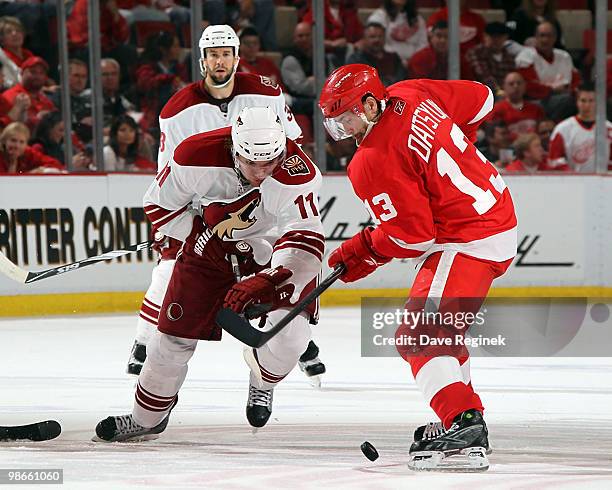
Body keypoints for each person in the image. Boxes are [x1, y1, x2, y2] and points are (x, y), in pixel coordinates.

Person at [319, 65, 517, 471]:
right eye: (334, 122)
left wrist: (361, 250)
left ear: (371, 103)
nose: (343, 130)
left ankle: (465, 423)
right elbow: (483, 98)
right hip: (491, 215)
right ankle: (460, 412)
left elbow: (413, 237)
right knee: (443, 332)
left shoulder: (371, 159)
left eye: (348, 117)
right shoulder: (411, 91)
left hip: (467, 238)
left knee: (419, 334)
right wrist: (459, 145)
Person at [95, 106, 325, 441]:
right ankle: (146, 419)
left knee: (292, 338)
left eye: (269, 163)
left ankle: (263, 379)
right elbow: (159, 204)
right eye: (251, 163)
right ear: (234, 150)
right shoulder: (193, 155)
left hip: (275, 251)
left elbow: (304, 238)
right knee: (171, 339)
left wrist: (273, 278)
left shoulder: (298, 172)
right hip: (210, 246)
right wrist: (191, 234)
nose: (261, 173)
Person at [126, 24, 327, 387]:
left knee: (283, 267)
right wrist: (179, 227)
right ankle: (143, 344)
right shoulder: (177, 110)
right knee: (170, 269)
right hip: (209, 211)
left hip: (263, 201)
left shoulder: (267, 92)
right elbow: (168, 173)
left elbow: (292, 144)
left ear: (237, 57)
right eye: (213, 54)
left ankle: (299, 344)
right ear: (202, 60)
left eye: (226, 53)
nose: (220, 60)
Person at [515, 21, 579, 121]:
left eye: (549, 36)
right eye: (542, 35)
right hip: (536, 101)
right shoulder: (526, 57)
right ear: (535, 37)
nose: (545, 40)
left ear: (555, 38)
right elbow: (528, 87)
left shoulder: (564, 56)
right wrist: (552, 90)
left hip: (563, 98)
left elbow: (576, 81)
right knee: (568, 100)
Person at [548, 83, 612, 173]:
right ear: (577, 102)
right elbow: (554, 160)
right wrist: (573, 176)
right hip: (574, 183)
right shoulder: (563, 129)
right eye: (583, 100)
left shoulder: (608, 128)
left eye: (591, 101)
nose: (587, 105)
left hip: (604, 183)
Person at [367, 0, 427, 65]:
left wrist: (413, 61)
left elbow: (423, 43)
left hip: (415, 64)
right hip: (388, 64)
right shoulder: (378, 17)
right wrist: (400, 62)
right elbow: (377, 45)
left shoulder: (417, 18)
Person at [346, 23, 406, 87]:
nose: (377, 40)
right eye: (372, 37)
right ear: (364, 39)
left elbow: (402, 79)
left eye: (380, 36)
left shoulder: (394, 58)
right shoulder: (356, 60)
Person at [489, 72, 545, 141]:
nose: (516, 86)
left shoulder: (536, 108)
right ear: (504, 87)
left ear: (525, 86)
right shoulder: (497, 109)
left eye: (519, 83)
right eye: (511, 84)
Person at [0, 121, 64, 174]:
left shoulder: (28, 152)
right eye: (13, 140)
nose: (17, 146)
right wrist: (29, 174)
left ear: (26, 144)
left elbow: (55, 163)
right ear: (4, 141)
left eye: (22, 142)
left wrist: (40, 169)